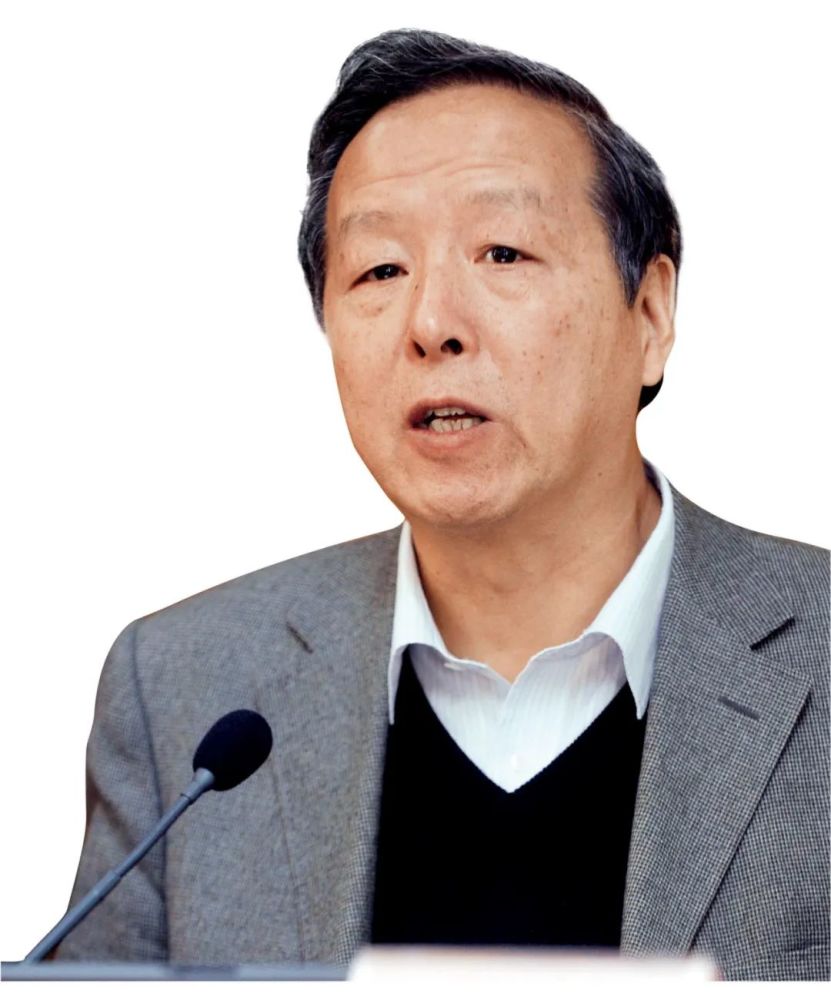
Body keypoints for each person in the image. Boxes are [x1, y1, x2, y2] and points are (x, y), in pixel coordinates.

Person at [54, 28, 829, 980]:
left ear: (650, 314)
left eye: (502, 252)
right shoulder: (186, 688)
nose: (430, 325)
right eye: (379, 270)